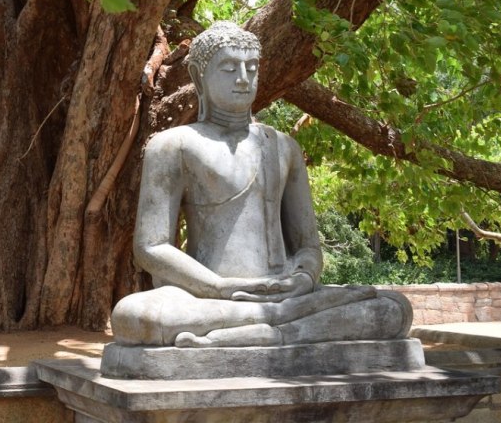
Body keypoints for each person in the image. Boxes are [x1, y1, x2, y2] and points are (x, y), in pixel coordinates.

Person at [110, 22, 411, 348]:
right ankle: (281, 324)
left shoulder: (283, 146)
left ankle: (264, 331)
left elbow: (307, 246)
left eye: (251, 68)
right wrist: (218, 287)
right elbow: (151, 247)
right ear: (198, 75)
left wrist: (303, 277)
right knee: (134, 316)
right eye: (229, 68)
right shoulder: (174, 145)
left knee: (394, 309)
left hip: (285, 293)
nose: (243, 78)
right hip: (207, 296)